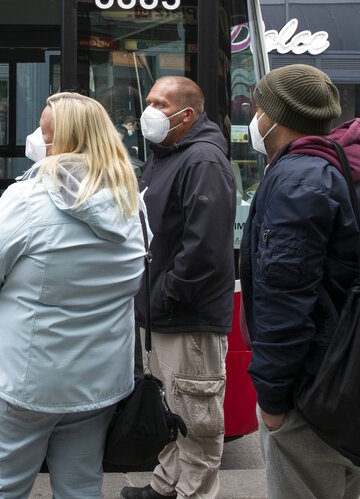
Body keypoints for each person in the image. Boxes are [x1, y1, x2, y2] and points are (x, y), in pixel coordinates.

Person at [0, 92, 146, 499]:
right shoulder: (132, 202)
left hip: (26, 381)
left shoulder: (26, 200)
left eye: (44, 133)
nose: (35, 140)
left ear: (63, 143)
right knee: (80, 488)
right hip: (98, 383)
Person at [239, 64, 360, 499]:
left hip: (310, 389)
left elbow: (284, 296)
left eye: (259, 107)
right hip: (352, 377)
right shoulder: (344, 164)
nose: (255, 117)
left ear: (275, 117)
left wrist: (272, 398)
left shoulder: (297, 178)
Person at [121, 76, 236, 499]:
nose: (149, 110)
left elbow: (203, 251)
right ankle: (167, 483)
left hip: (187, 317)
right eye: (149, 100)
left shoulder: (202, 161)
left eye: (161, 103)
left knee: (196, 413)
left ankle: (194, 492)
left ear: (187, 114)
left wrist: (166, 295)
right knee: (169, 407)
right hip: (161, 313)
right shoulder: (167, 153)